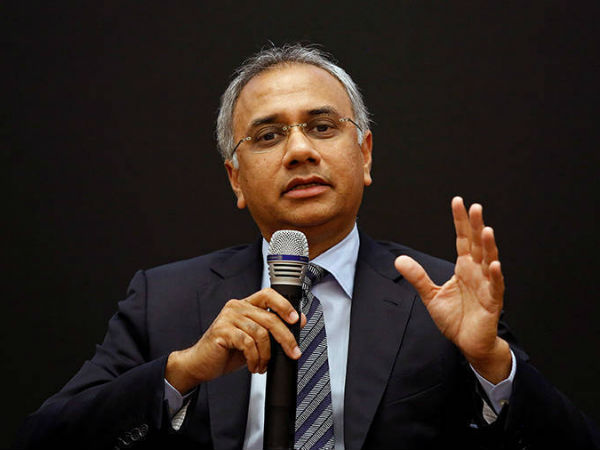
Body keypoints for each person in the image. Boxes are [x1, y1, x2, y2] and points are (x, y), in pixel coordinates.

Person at [15, 44, 599, 450]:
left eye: (322, 127)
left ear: (364, 155)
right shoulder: (163, 299)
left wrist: (491, 363)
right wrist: (182, 372)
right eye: (268, 135)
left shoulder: (443, 295)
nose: (299, 151)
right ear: (236, 179)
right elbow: (44, 439)